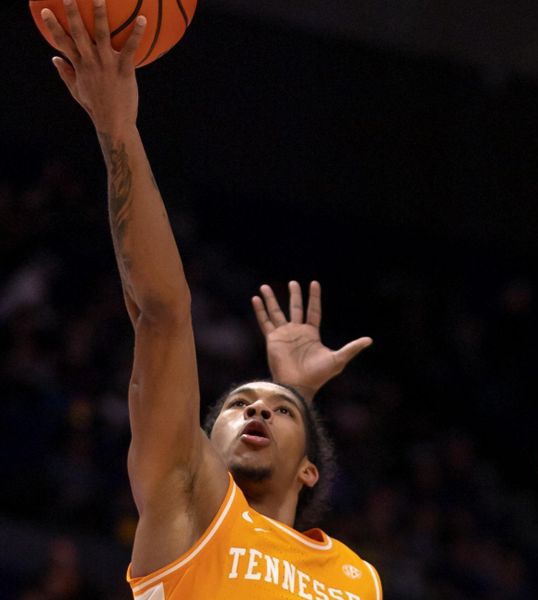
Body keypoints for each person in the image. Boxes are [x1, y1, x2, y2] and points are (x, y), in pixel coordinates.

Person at [40, 1, 381, 598]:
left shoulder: (359, 577)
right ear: (204, 445)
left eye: (274, 412)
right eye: (237, 405)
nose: (254, 411)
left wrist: (296, 394)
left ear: (310, 471)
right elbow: (161, 312)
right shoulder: (190, 500)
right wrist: (117, 127)